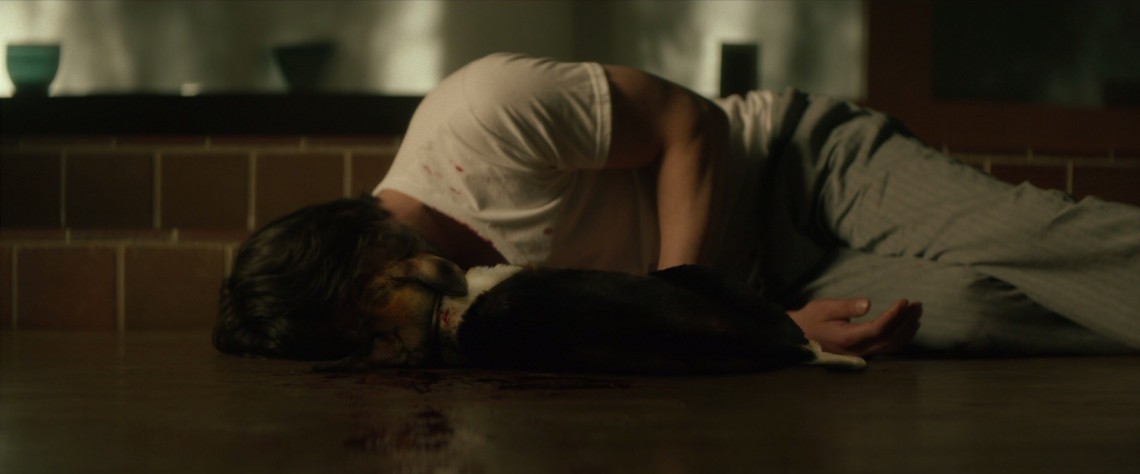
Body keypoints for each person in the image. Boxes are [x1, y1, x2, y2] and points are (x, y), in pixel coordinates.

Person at [214, 53, 1140, 361]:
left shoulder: (477, 116)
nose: (386, 345)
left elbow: (691, 123)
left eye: (366, 319)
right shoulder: (462, 320)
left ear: (356, 256)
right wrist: (770, 328)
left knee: (1031, 238)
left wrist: (698, 308)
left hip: (796, 165)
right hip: (767, 287)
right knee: (972, 315)